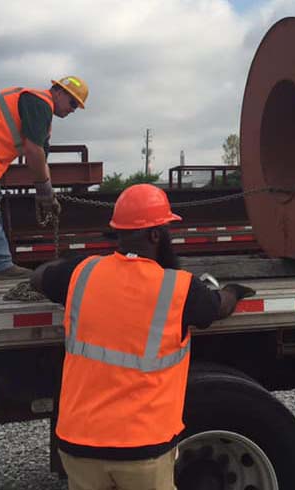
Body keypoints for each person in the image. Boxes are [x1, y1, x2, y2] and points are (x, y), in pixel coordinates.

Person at [30, 184, 255, 490]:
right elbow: (218, 307)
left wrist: (68, 269)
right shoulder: (179, 288)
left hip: (77, 446)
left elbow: (39, 277)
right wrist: (234, 291)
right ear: (155, 235)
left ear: (118, 232)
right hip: (141, 450)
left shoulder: (82, 273)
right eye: (166, 229)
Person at [0, 76, 89, 280]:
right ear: (58, 91)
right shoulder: (39, 103)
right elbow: (33, 150)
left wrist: (48, 195)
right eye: (73, 102)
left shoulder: (41, 114)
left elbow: (40, 159)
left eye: (77, 107)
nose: (73, 109)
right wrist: (44, 191)